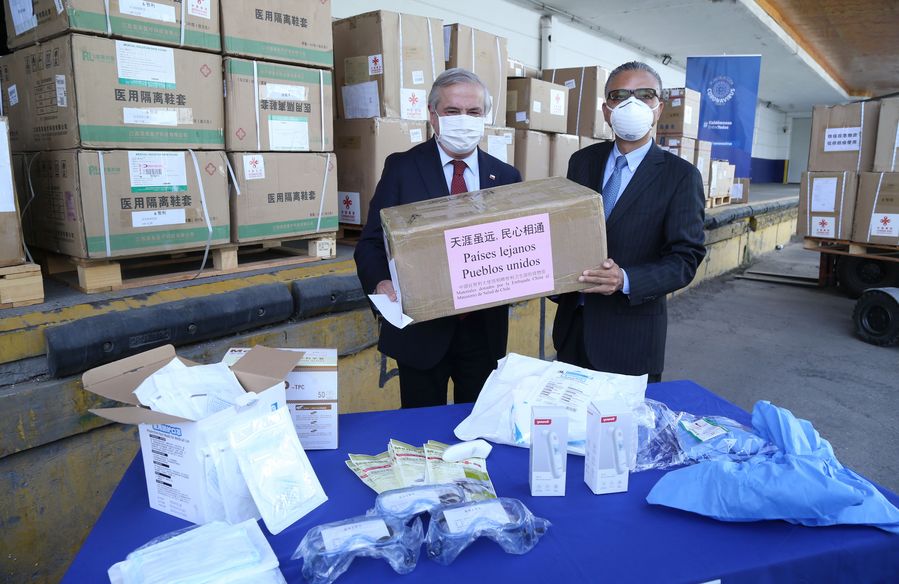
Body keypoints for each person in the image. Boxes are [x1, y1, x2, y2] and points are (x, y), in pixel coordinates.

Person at [354, 68, 522, 408]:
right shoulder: (401, 168)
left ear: (485, 117)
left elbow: (517, 246)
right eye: (452, 111)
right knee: (419, 430)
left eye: (473, 112)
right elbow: (371, 243)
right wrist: (381, 284)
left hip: (482, 332)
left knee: (476, 429)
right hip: (420, 331)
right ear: (432, 115)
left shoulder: (505, 177)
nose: (464, 120)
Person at [552, 61, 706, 383]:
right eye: (620, 95)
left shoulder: (680, 176)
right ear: (606, 110)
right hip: (573, 330)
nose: (632, 103)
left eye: (645, 95)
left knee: (621, 433)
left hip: (631, 340)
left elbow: (685, 259)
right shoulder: (581, 162)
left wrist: (625, 279)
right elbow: (564, 233)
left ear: (659, 108)